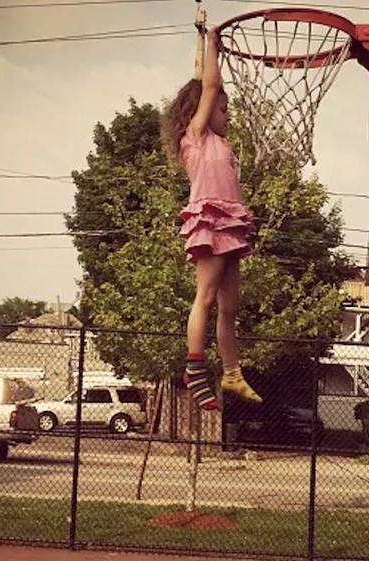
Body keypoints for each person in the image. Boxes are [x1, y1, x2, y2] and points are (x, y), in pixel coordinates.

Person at [163, 27, 262, 411]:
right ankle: (195, 368)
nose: (227, 115)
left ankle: (232, 373)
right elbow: (210, 85)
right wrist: (213, 43)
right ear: (199, 112)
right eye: (223, 109)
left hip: (231, 227)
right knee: (204, 298)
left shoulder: (222, 145)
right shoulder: (196, 137)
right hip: (210, 223)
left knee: (230, 308)